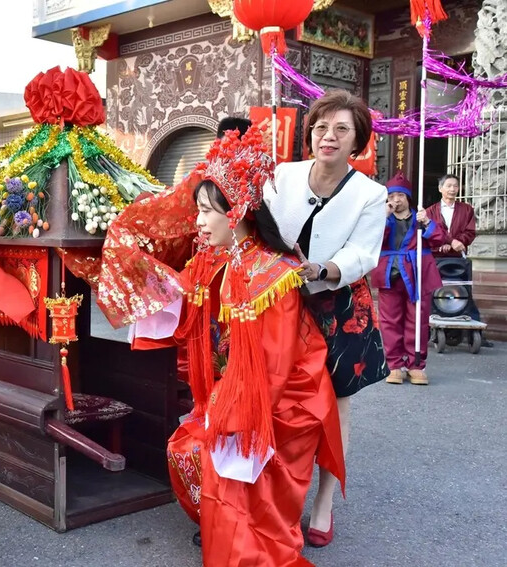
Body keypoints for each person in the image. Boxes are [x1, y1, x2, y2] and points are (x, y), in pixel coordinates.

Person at [120, 127, 344, 565]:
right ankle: (222, 520)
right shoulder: (213, 260)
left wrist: (233, 416)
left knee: (217, 460)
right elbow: (180, 306)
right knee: (182, 447)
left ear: (237, 210)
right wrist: (137, 272)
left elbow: (277, 367)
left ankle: (242, 532)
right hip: (236, 392)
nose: (198, 222)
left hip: (280, 402)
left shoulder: (273, 275)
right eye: (199, 211)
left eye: (206, 212)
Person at [263, 89, 388, 546]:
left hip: (339, 306)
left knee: (334, 406)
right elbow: (262, 227)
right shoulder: (283, 175)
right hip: (280, 300)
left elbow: (363, 253)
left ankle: (324, 501)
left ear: (357, 142)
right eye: (320, 128)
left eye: (341, 130)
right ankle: (274, 492)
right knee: (277, 396)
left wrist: (323, 269)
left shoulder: (371, 194)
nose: (328, 137)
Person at [373, 174, 447, 385]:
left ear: (407, 198)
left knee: (418, 320)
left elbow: (441, 239)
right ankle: (395, 364)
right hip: (390, 273)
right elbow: (372, 238)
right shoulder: (381, 218)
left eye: (400, 196)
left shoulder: (421, 218)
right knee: (389, 321)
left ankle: (416, 364)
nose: (396, 200)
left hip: (417, 274)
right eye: (392, 196)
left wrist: (428, 223)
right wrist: (383, 217)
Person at [425, 175, 492, 346]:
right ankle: (426, 332)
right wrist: (443, 244)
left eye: (455, 186)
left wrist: (457, 243)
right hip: (436, 258)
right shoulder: (430, 211)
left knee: (463, 293)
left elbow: (470, 232)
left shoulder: (466, 209)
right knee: (433, 293)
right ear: (440, 189)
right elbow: (429, 233)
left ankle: (474, 335)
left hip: (458, 259)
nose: (452, 189)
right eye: (448, 186)